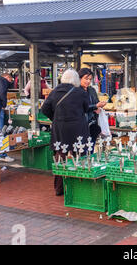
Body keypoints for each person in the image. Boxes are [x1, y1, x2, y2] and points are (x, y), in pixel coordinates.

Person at [41, 68, 90, 196]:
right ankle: (78, 186)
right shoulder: (80, 92)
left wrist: (55, 118)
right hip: (77, 127)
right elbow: (87, 107)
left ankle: (59, 188)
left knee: (60, 155)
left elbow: (44, 108)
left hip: (60, 128)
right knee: (78, 156)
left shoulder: (55, 91)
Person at [78, 68, 106, 141]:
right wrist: (95, 106)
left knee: (91, 146)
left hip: (93, 123)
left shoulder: (91, 90)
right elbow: (80, 107)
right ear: (80, 78)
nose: (88, 81)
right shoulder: (76, 91)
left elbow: (96, 102)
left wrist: (99, 107)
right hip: (81, 124)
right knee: (82, 148)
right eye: (86, 79)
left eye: (90, 79)